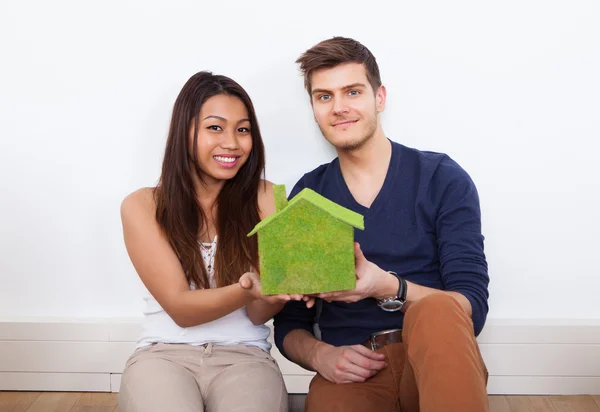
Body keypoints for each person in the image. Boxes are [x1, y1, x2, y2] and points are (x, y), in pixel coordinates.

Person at [273, 37, 490, 412]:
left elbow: (471, 308)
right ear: (313, 108)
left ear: (380, 97)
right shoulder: (309, 194)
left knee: (439, 309)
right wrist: (320, 355)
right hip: (352, 370)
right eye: (324, 96)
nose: (339, 108)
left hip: (434, 359)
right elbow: (290, 324)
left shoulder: (441, 178)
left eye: (352, 92)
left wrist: (386, 285)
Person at [118, 71, 290, 412]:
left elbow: (258, 313)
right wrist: (248, 287)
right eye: (215, 127)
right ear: (185, 132)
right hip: (163, 354)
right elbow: (181, 309)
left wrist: (281, 287)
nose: (232, 143)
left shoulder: (270, 198)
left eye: (243, 129)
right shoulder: (143, 205)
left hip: (246, 356)